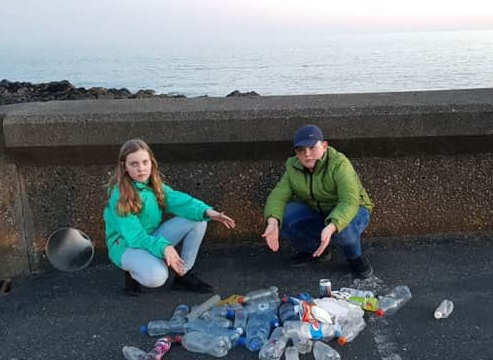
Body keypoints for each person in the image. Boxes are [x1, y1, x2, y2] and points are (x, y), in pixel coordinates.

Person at [104, 139, 235, 295]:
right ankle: (132, 273)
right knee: (157, 277)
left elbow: (179, 201)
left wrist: (208, 212)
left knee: (198, 220)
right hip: (126, 245)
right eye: (134, 164)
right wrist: (164, 247)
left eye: (145, 162)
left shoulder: (153, 185)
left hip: (150, 237)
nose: (141, 169)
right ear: (124, 166)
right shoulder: (119, 194)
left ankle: (182, 275)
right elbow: (135, 237)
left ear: (151, 162)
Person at [261, 124, 374, 278]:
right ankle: (317, 251)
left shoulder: (339, 164)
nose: (307, 154)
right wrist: (273, 221)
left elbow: (349, 201)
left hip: (354, 211)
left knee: (344, 229)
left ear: (324, 146)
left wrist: (332, 226)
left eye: (312, 148)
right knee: (285, 215)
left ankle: (355, 258)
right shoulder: (293, 166)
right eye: (301, 150)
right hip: (318, 211)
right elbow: (278, 195)